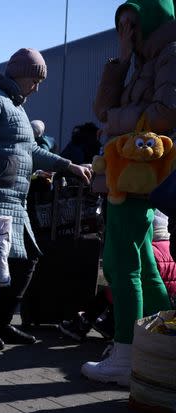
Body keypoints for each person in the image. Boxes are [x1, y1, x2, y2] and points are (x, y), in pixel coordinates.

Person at [0, 47, 92, 351]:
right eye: (36, 79)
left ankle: (2, 323)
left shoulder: (15, 106)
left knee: (27, 259)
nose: (38, 86)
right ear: (21, 74)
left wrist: (66, 165)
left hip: (14, 199)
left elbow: (31, 151)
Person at [83, 0, 176, 385]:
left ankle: (126, 351)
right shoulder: (139, 61)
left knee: (123, 263)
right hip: (129, 174)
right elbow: (101, 106)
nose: (127, 34)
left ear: (151, 20)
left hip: (142, 172)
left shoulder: (170, 54)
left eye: (132, 25)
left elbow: (163, 116)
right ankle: (162, 346)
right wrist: (120, 60)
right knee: (142, 262)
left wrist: (115, 124)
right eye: (121, 27)